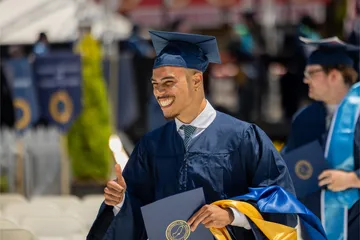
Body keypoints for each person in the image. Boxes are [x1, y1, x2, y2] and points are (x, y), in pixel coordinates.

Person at [87, 31, 323, 240]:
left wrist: (232, 215)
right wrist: (119, 203)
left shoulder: (243, 138)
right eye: (155, 84)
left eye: (168, 82)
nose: (159, 92)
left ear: (196, 80)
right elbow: (138, 216)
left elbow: (280, 203)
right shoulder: (151, 146)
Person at [282, 37, 360, 240]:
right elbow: (289, 164)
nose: (305, 79)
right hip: (314, 225)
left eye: (311, 73)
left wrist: (352, 178)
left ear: (334, 75)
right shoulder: (305, 117)